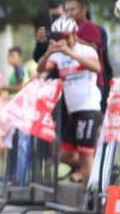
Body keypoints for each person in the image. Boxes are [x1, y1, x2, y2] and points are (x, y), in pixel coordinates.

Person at [37, 16, 102, 184]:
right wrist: (49, 52)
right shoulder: (58, 56)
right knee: (64, 155)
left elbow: (97, 68)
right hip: (73, 112)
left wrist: (70, 53)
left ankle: (88, 201)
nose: (62, 40)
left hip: (88, 108)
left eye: (65, 36)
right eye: (59, 37)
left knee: (85, 156)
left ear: (74, 34)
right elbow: (41, 68)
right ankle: (98, 171)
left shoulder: (86, 50)